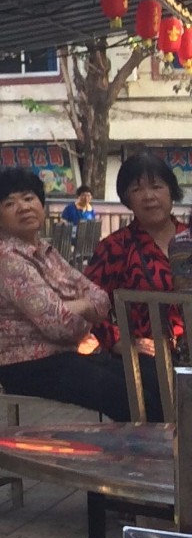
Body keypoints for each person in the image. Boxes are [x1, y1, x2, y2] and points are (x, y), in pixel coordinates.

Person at [0, 165, 125, 420]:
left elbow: (101, 298)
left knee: (144, 379)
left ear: (41, 205)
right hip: (27, 366)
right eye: (9, 203)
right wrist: (84, 308)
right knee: (126, 393)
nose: (23, 207)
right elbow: (60, 326)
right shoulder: (5, 259)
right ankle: (149, 443)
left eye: (29, 198)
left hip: (65, 356)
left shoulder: (45, 251)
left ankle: (160, 442)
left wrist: (73, 307)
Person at [85, 153, 185, 419]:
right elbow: (88, 303)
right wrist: (118, 341)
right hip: (151, 358)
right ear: (127, 198)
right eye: (137, 189)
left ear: (171, 191)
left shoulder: (187, 238)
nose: (149, 196)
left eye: (156, 186)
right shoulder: (116, 247)